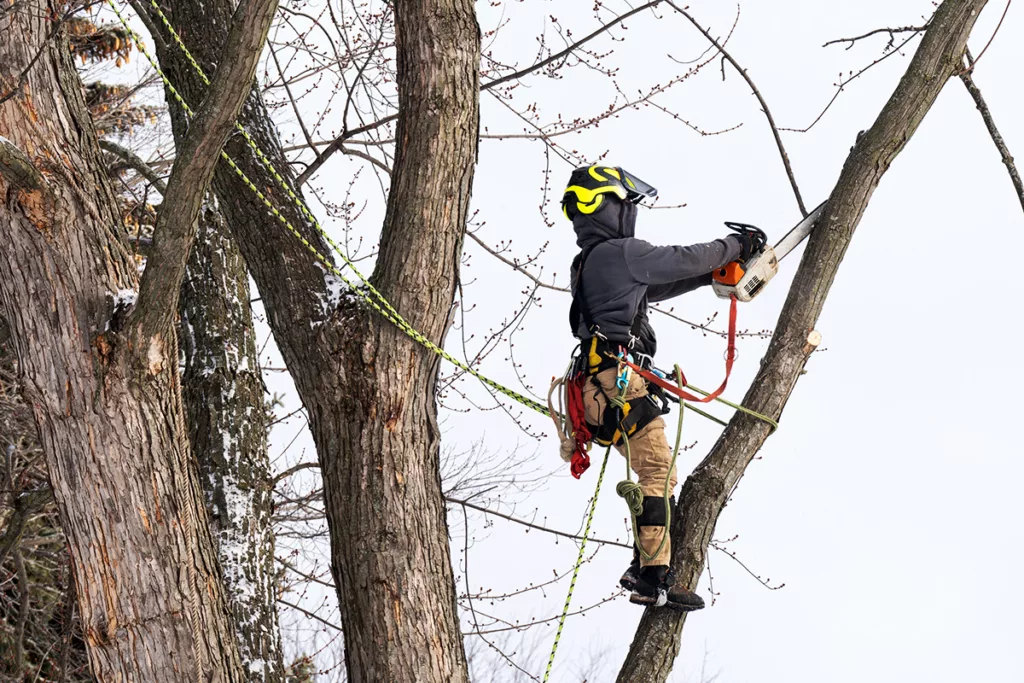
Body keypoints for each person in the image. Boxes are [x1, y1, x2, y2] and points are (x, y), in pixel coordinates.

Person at [563, 164, 762, 610]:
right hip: (616, 385)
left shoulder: (593, 262)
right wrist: (737, 245)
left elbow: (665, 282)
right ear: (610, 207)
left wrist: (717, 274)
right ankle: (652, 578)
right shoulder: (620, 252)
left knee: (654, 473)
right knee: (657, 473)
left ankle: (645, 569)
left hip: (599, 388)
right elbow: (682, 258)